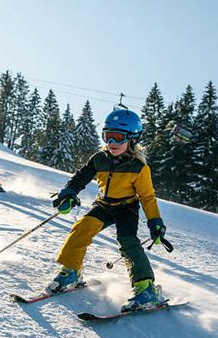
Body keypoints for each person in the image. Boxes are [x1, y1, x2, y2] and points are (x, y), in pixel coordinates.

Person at [46, 108, 167, 312]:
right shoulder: (99, 158)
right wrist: (69, 192)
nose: (111, 143)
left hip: (126, 208)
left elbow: (147, 197)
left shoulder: (138, 167)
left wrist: (155, 221)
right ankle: (72, 271)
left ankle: (145, 288)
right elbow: (82, 176)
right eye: (107, 136)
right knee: (81, 228)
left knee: (128, 242)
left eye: (118, 137)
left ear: (133, 139)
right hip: (103, 205)